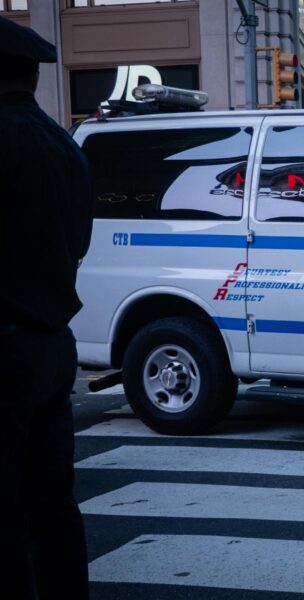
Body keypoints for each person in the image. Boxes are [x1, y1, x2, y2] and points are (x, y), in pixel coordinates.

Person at [0, 17, 92, 600]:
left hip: (3, 346)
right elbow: (77, 243)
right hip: (53, 343)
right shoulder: (66, 147)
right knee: (52, 499)